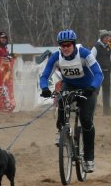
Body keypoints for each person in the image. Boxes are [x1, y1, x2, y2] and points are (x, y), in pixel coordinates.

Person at [39, 29, 104, 173]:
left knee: (86, 120)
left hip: (88, 88)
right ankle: (61, 130)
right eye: (63, 45)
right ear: (60, 46)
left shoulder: (85, 54)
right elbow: (44, 76)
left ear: (74, 44)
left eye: (68, 45)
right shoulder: (56, 57)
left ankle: (89, 158)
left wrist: (92, 87)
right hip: (69, 85)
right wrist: (44, 88)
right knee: (61, 100)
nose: (66, 48)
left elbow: (99, 74)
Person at [91, 30, 111, 116]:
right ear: (102, 38)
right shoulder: (96, 47)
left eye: (108, 37)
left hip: (107, 73)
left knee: (107, 92)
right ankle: (92, 111)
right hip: (98, 73)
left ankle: (106, 112)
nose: (108, 39)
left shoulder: (108, 47)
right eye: (106, 37)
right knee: (95, 91)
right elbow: (91, 59)